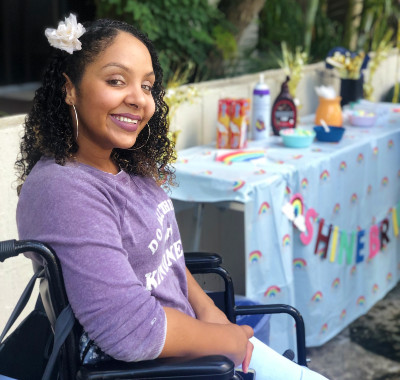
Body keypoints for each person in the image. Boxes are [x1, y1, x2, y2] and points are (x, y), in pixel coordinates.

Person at [15, 14, 328, 380]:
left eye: (147, 86)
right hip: (159, 367)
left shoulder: (123, 164)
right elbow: (131, 331)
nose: (138, 99)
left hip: (194, 342)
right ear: (70, 88)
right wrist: (223, 340)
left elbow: (167, 256)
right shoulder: (63, 190)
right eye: (116, 81)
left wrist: (210, 312)